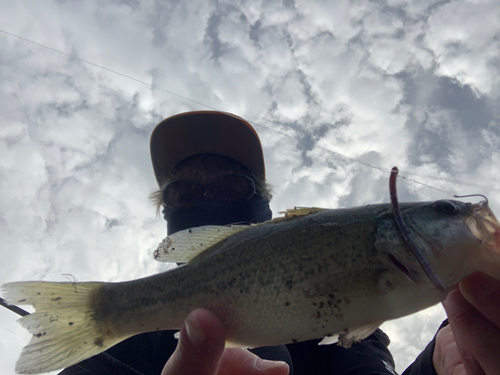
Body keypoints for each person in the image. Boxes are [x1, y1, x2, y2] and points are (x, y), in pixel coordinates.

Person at [63, 111, 500, 375]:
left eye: (233, 186)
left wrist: (441, 364)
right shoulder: (129, 339)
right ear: (170, 220)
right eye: (184, 194)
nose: (209, 198)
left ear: (265, 210)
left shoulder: (345, 333)